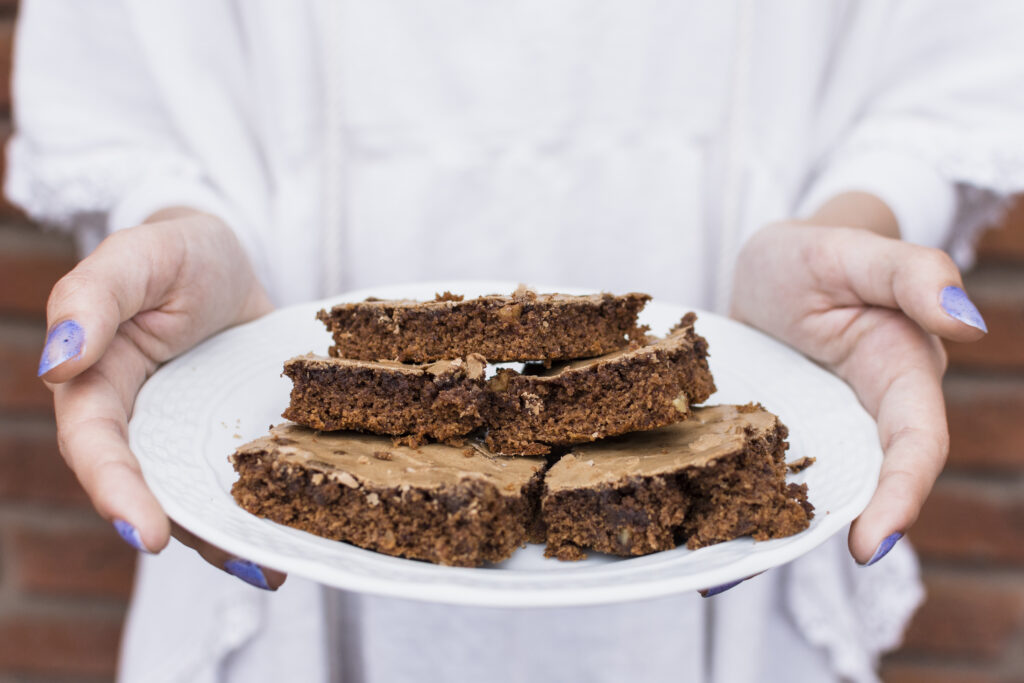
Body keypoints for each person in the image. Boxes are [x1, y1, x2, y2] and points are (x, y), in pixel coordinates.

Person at [8, 1, 1024, 681]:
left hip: (735, 585)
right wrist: (176, 225)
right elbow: (134, 80)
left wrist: (855, 223)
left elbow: (934, 64)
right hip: (282, 578)